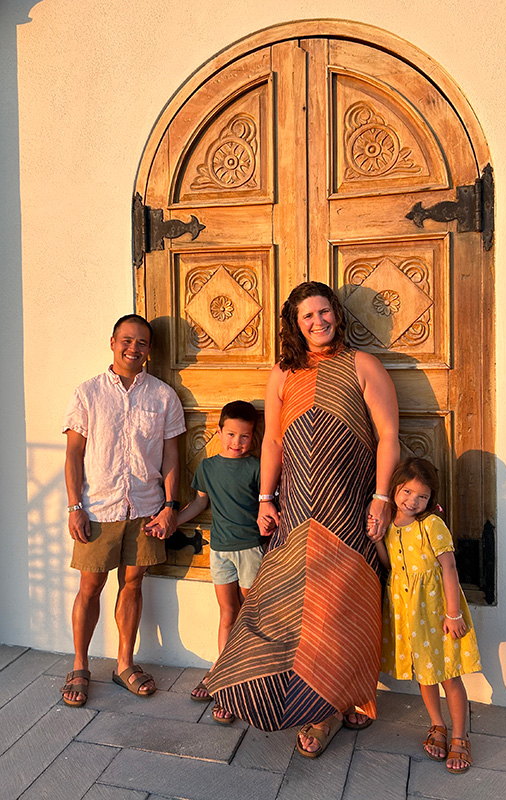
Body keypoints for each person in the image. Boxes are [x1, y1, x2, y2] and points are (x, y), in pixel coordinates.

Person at [204, 281, 399, 757]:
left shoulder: (363, 365)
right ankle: (254, 684)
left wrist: (381, 497)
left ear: (337, 314)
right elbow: (271, 441)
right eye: (307, 316)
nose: (317, 321)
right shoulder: (284, 373)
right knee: (281, 603)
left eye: (324, 311)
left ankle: (335, 705)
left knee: (343, 605)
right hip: (295, 508)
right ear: (295, 324)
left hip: (348, 506)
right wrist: (265, 498)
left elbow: (390, 435)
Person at [60, 314, 185, 707]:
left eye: (142, 343)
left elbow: (170, 457)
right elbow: (74, 455)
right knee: (90, 587)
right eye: (127, 340)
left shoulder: (163, 396)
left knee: (133, 584)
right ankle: (80, 665)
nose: (134, 348)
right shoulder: (87, 393)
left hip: (146, 510)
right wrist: (74, 506)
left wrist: (169, 506)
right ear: (112, 342)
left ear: (150, 350)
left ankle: (124, 664)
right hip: (98, 508)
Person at [371, 457, 482, 774]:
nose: (412, 501)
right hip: (407, 611)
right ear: (395, 489)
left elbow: (448, 567)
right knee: (425, 672)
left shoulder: (431, 524)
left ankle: (460, 736)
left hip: (435, 612)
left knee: (448, 673)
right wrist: (378, 540)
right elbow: (390, 564)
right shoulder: (392, 523)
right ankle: (437, 724)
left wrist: (453, 613)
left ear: (430, 498)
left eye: (421, 496)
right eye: (407, 492)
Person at [176, 400, 265, 723]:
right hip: (220, 551)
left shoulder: (256, 467)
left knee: (249, 617)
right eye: (231, 435)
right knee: (228, 613)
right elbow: (199, 503)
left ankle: (245, 681)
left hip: (251, 551)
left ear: (253, 437)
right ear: (219, 431)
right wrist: (173, 521)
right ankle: (221, 672)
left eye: (244, 437)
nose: (237, 442)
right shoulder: (208, 468)